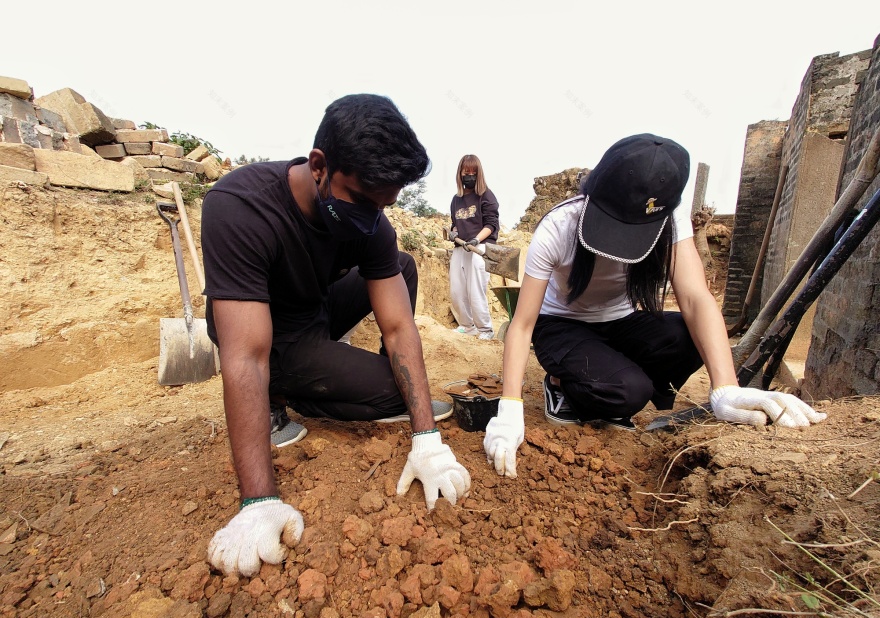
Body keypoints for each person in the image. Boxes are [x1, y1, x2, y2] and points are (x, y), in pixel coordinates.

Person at [201, 94, 471, 576]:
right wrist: (258, 500)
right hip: (273, 338)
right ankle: (279, 400)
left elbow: (397, 325)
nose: (373, 217)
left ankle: (328, 369)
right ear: (320, 166)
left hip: (315, 312)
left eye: (385, 205)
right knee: (392, 389)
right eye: (363, 200)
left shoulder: (369, 222)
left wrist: (426, 438)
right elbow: (246, 357)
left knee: (400, 273)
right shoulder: (241, 207)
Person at [482, 133, 827, 478]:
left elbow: (695, 299)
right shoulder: (559, 227)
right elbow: (523, 323)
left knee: (688, 336)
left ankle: (619, 378)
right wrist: (509, 409)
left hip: (621, 320)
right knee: (627, 392)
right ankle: (563, 386)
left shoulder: (669, 222)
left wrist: (726, 388)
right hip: (562, 325)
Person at [448, 155, 500, 340]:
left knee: (475, 288)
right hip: (460, 247)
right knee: (457, 289)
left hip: (480, 248)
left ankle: (485, 329)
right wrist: (453, 232)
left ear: (478, 174)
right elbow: (455, 223)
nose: (469, 176)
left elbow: (492, 224)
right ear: (460, 173)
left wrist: (476, 240)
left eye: (473, 173)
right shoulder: (456, 199)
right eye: (466, 172)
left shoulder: (486, 195)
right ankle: (467, 326)